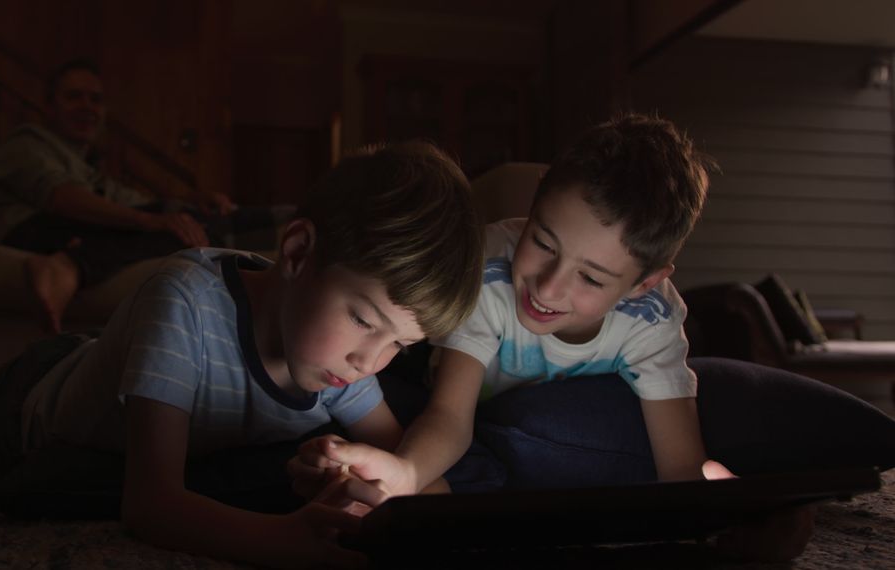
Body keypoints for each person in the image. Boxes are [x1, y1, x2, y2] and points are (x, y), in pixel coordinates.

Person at [0, 141, 485, 569]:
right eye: (364, 320)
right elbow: (151, 505)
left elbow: (415, 472)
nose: (368, 363)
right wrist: (283, 540)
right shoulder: (185, 303)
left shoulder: (339, 359)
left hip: (106, 406)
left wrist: (374, 480)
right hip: (29, 409)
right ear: (296, 254)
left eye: (400, 346)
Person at [290, 114, 816, 561]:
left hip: (553, 424)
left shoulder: (651, 320)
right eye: (542, 242)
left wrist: (731, 518)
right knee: (411, 432)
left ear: (644, 282)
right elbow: (451, 416)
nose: (548, 287)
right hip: (449, 399)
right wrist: (406, 472)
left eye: (590, 278)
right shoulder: (491, 271)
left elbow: (678, 467)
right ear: (533, 208)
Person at [0, 58, 273, 333]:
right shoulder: (27, 142)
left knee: (190, 225)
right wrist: (151, 221)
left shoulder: (90, 169)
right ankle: (65, 266)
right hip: (28, 229)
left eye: (95, 100)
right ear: (50, 107)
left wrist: (191, 200)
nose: (87, 106)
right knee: (181, 230)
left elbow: (137, 203)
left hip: (72, 229)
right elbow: (62, 198)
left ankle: (279, 219)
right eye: (74, 96)